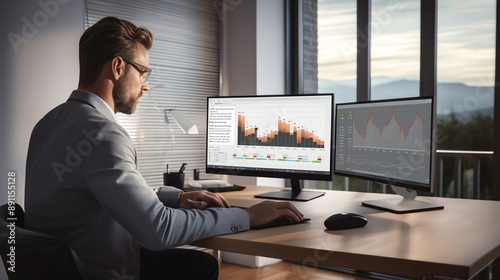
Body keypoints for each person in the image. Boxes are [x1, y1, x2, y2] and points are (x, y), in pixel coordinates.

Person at [24, 16, 304, 280]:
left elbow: (99, 193)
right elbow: (158, 230)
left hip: (63, 268)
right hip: (102, 270)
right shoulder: (103, 133)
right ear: (118, 67)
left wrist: (177, 197)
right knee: (202, 265)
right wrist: (246, 215)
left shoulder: (47, 123)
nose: (145, 86)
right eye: (143, 72)